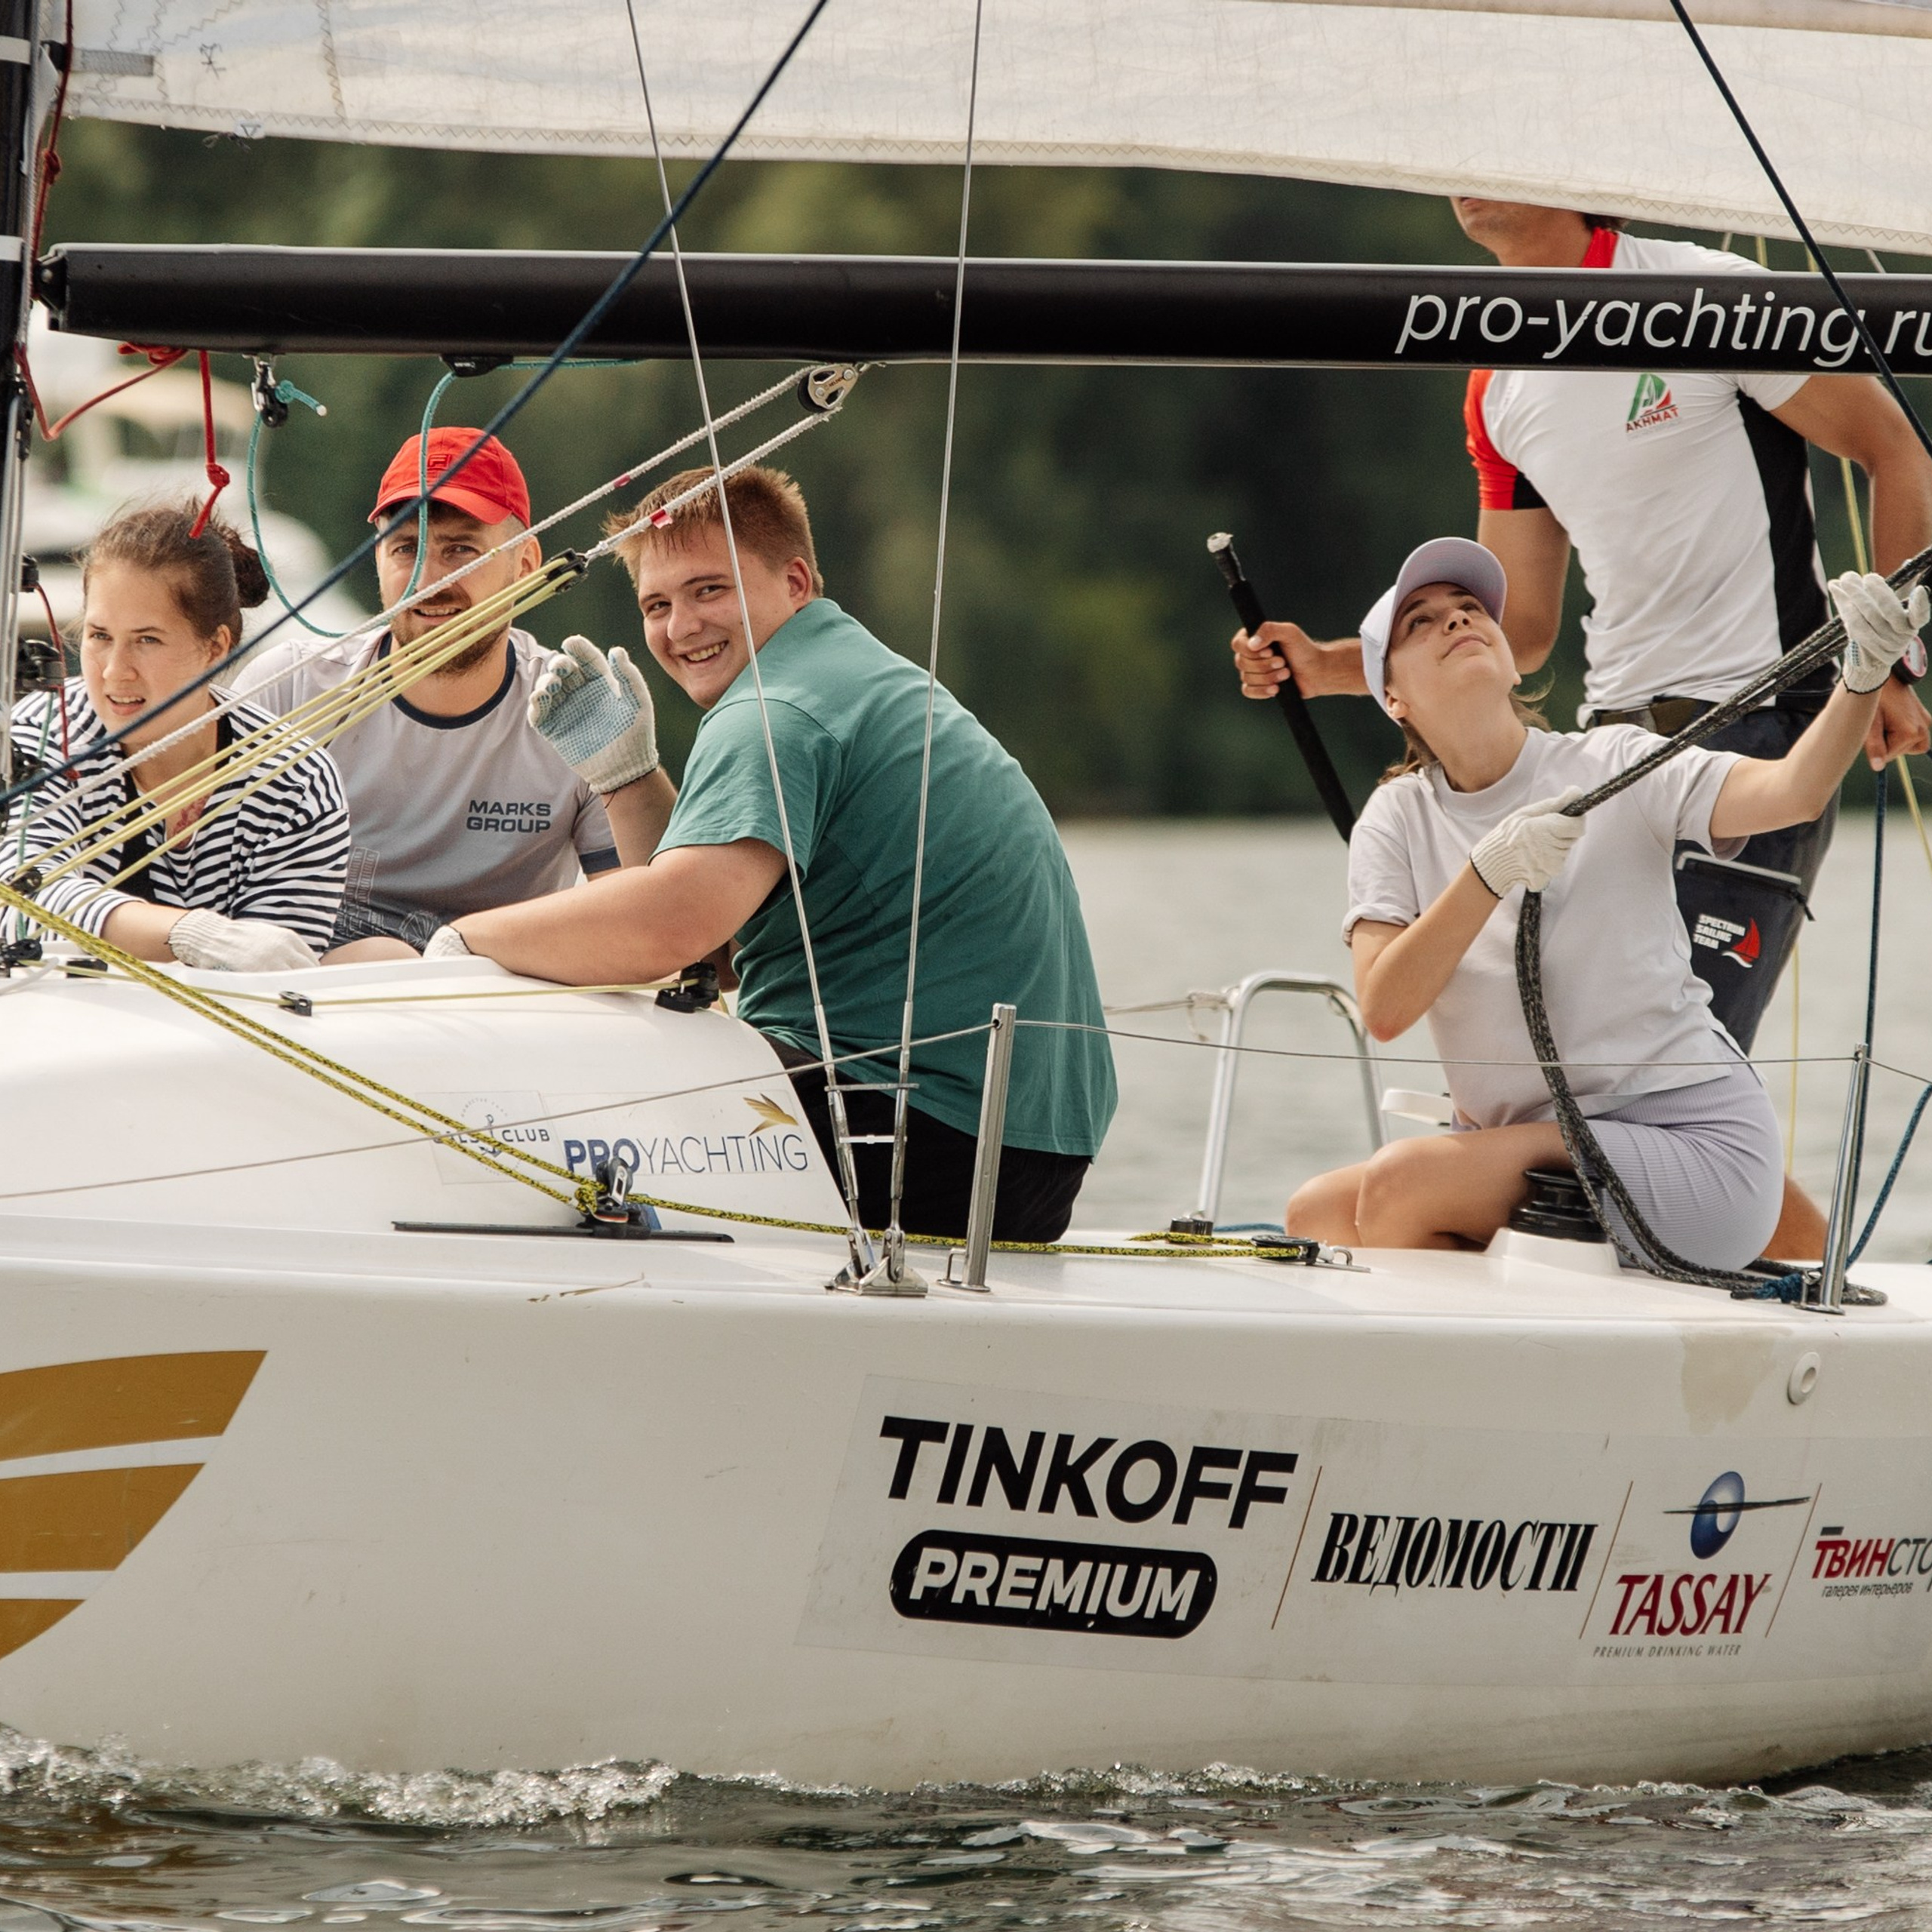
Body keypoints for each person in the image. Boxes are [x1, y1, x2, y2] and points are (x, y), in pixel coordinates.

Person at [1234, 198, 1932, 1251]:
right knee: (1619, 1075)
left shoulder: (1706, 292)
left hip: (1755, 724)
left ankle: (1796, 1296)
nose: (1464, 181)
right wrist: (1336, 667)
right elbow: (1510, 627)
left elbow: (1896, 448)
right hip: (1608, 755)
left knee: (1668, 1076)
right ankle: (1818, 1280)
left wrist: (1890, 666)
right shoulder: (1496, 379)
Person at [432, 465, 1118, 1242]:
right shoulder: (844, 673)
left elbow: (671, 931)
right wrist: (626, 780)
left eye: (709, 590)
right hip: (1025, 1154)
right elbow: (719, 955)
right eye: (657, 604)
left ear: (794, 580)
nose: (681, 626)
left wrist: (465, 943)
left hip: (917, 1139)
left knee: (571, 1048)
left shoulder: (775, 705)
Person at [1285, 537, 1922, 1266]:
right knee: (1317, 1212)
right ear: (1391, 697)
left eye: (1469, 609)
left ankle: (1501, 1355)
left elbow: (1791, 794)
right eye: (1419, 623)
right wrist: (1485, 874)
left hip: (1692, 1147)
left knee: (1403, 1185)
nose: (1456, 621)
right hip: (1532, 1150)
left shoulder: (1613, 762)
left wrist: (1862, 679)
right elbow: (1386, 1008)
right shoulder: (1395, 818)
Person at [239, 428, 675, 955]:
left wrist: (633, 776)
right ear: (378, 560)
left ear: (526, 564)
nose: (428, 578)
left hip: (497, 1011)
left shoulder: (572, 709)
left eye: (461, 549)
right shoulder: (290, 691)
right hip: (306, 1008)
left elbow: (658, 929)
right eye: (405, 547)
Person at [7, 503, 349, 969]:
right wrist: (190, 934)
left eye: (147, 640)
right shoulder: (44, 733)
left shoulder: (296, 779)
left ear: (215, 648)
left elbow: (279, 968)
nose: (113, 671)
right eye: (99, 636)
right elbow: (20, 901)